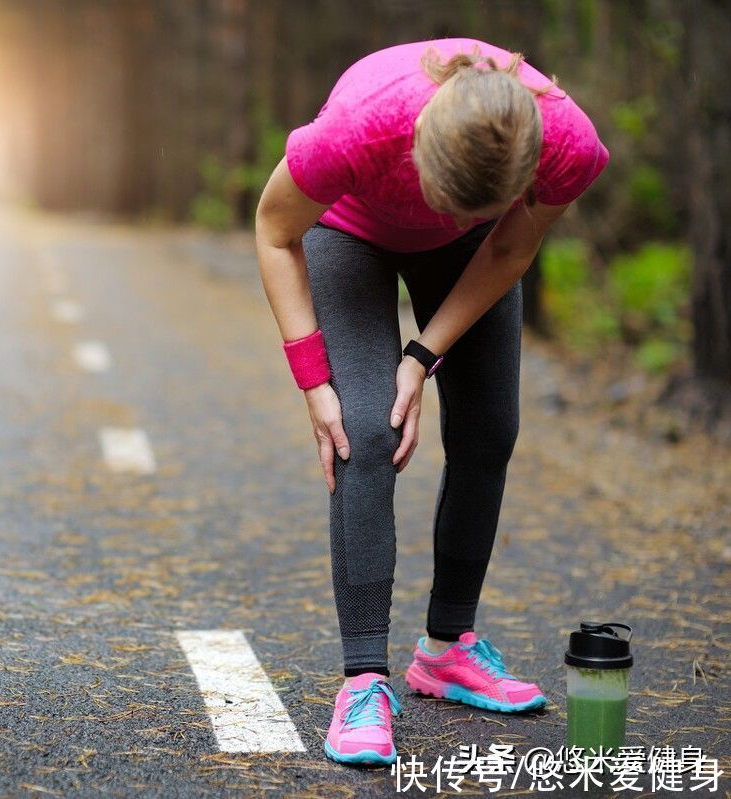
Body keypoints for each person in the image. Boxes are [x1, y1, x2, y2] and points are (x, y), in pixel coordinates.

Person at [254, 37, 610, 766]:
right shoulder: (358, 125)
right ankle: (362, 679)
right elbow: (273, 228)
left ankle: (447, 650)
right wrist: (313, 381)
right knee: (362, 427)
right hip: (349, 229)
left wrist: (424, 355)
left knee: (489, 427)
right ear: (416, 143)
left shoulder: (567, 142)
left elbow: (508, 251)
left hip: (476, 249)